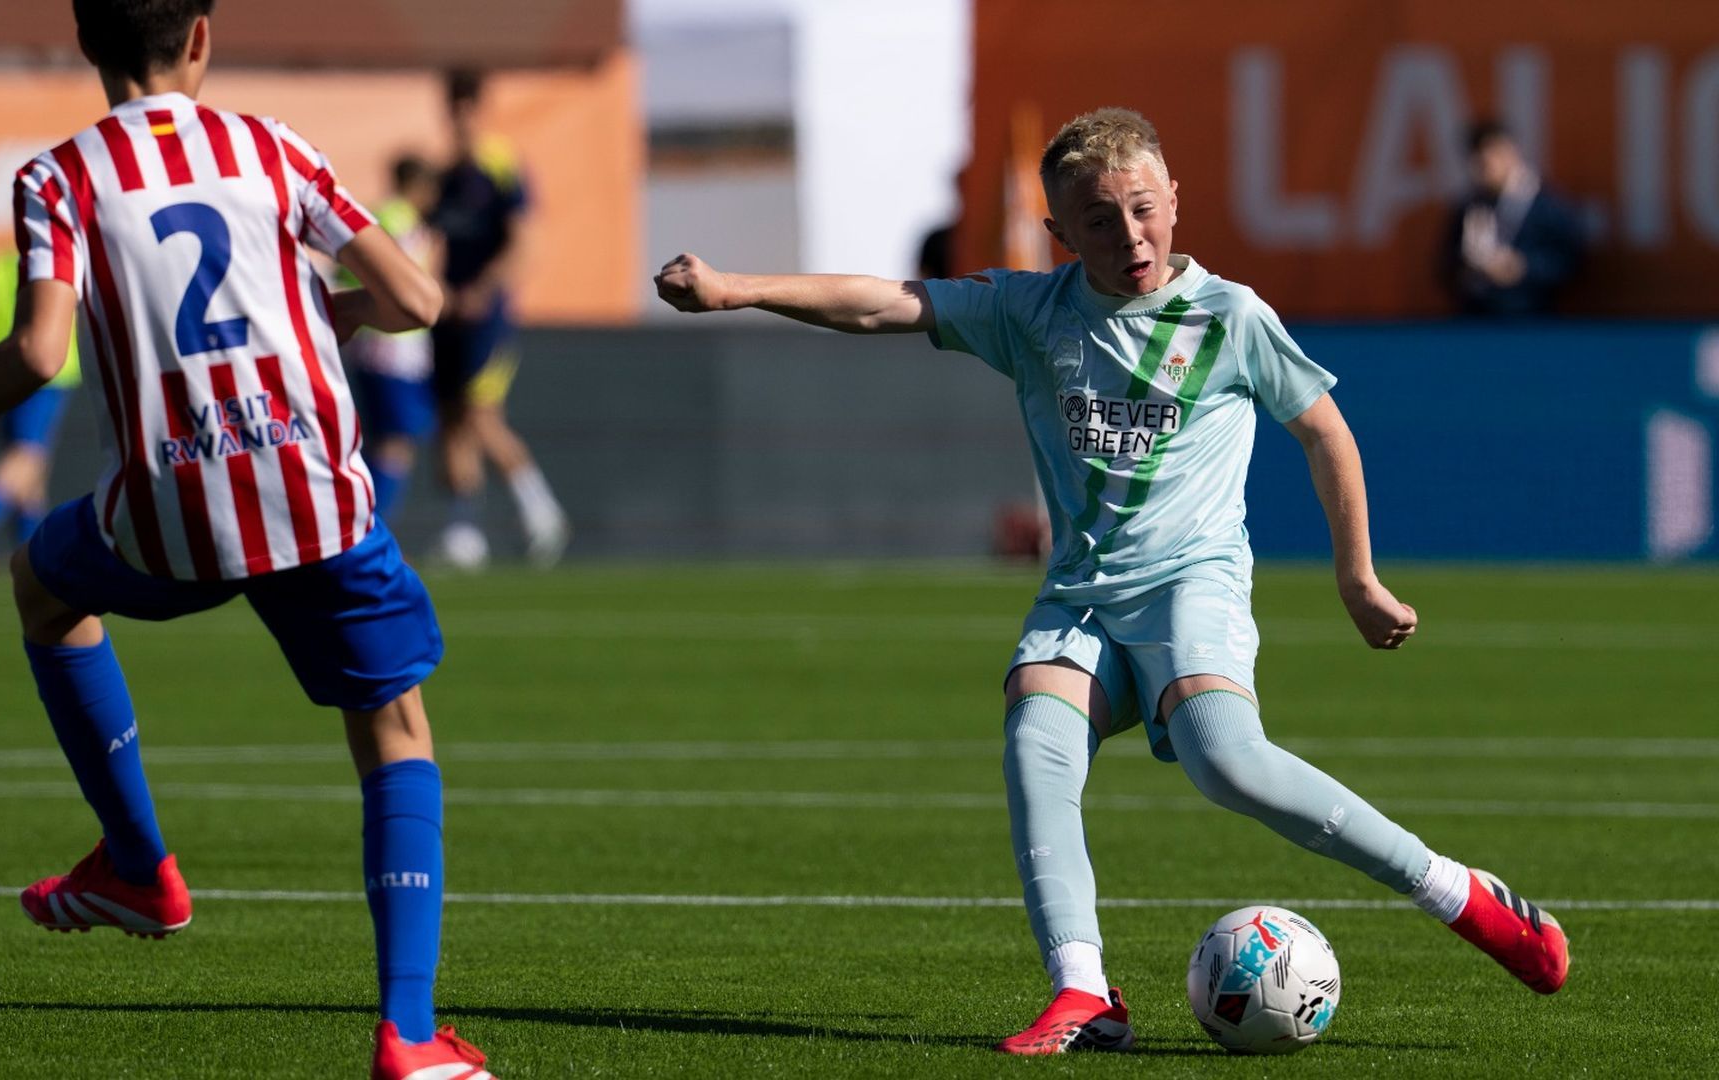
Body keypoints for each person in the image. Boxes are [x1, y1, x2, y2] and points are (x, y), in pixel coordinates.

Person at [655, 107, 1569, 1055]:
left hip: (1190, 589)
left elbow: (1324, 429)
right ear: (1060, 232)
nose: (1128, 235)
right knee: (1035, 740)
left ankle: (1463, 896)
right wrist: (735, 290)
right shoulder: (1031, 310)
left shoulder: (1231, 316)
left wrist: (1357, 577)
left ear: (1175, 200)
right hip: (1082, 597)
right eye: (1098, 219)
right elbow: (887, 301)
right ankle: (1086, 993)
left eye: (1142, 209)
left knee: (1228, 761)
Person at [0, 3, 495, 1077]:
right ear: (203, 38)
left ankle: (138, 865)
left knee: (42, 584)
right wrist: (342, 314)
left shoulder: (61, 177)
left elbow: (37, 354)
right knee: (394, 731)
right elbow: (419, 297)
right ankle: (408, 1036)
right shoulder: (270, 148)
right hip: (309, 498)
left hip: (165, 514)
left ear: (88, 44)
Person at [428, 71, 568, 570]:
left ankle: (540, 510)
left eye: (468, 105)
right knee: (450, 422)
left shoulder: (502, 166)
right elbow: (430, 243)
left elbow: (524, 241)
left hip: (487, 316)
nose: (460, 116)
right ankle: (463, 532)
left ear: (480, 108)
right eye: (453, 105)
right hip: (447, 315)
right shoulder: (443, 176)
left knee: (480, 415)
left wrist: (484, 289)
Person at [0, 247, 83, 569]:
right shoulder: (55, 258)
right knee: (29, 455)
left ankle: (30, 550)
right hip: (49, 369)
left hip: (0, 367)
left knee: (29, 467)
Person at [341, 155, 441, 524]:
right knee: (395, 443)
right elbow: (408, 289)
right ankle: (370, 525)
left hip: (369, 343)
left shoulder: (373, 214)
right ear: (420, 186)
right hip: (393, 347)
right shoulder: (402, 223)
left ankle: (365, 522)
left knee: (382, 441)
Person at [1439, 120, 1586, 316]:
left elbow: (1571, 262)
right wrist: (1468, 269)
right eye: (1477, 161)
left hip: (1531, 321)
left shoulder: (1547, 206)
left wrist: (1523, 267)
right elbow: (1444, 265)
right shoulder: (1469, 207)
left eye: (1489, 159)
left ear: (1510, 153)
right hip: (1474, 320)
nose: (1483, 168)